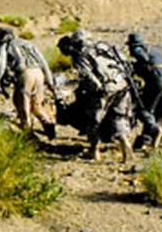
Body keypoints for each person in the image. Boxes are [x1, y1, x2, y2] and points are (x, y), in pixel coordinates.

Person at [57, 31, 135, 162]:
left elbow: (87, 75)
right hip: (122, 84)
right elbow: (124, 62)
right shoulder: (103, 47)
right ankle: (125, 143)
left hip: (106, 89)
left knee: (94, 120)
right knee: (118, 116)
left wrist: (96, 89)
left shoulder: (80, 55)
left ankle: (94, 151)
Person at [0, 27, 58, 139]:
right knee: (37, 105)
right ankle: (49, 125)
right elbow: (42, 61)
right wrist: (49, 80)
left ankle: (29, 135)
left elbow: (0, 65)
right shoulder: (27, 44)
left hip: (25, 75)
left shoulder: (5, 46)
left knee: (22, 106)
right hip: (39, 73)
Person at [127, 32, 162, 150]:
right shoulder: (156, 49)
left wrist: (135, 67)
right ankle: (144, 140)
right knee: (157, 113)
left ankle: (156, 129)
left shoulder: (137, 48)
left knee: (142, 109)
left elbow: (143, 58)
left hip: (158, 79)